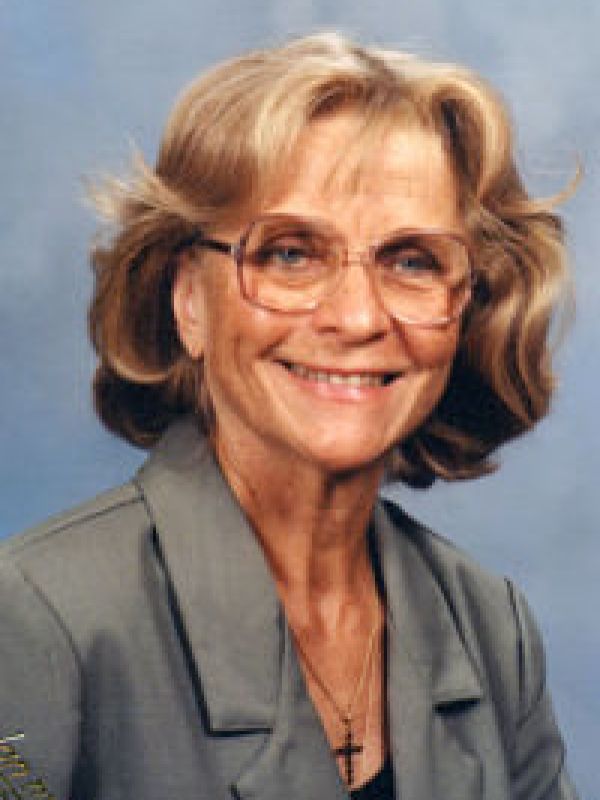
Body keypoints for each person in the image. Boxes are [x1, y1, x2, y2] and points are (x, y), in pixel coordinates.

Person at [0, 32, 579, 800]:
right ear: (188, 301)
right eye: (290, 254)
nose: (357, 317)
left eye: (411, 261)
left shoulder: (490, 628)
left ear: (469, 304)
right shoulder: (38, 620)